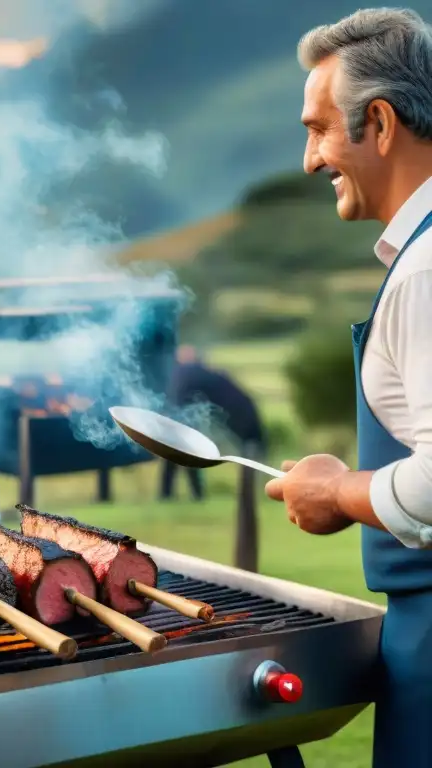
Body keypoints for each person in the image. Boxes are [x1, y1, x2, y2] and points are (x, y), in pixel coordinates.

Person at [266, 9, 432, 765]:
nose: (310, 159)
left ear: (381, 123)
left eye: (320, 129)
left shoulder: (427, 271)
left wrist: (337, 493)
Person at [160, 345, 266, 501]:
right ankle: (184, 495)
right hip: (189, 419)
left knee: (179, 455)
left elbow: (177, 399)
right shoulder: (200, 373)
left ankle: (178, 495)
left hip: (185, 419)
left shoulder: (187, 372)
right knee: (180, 456)